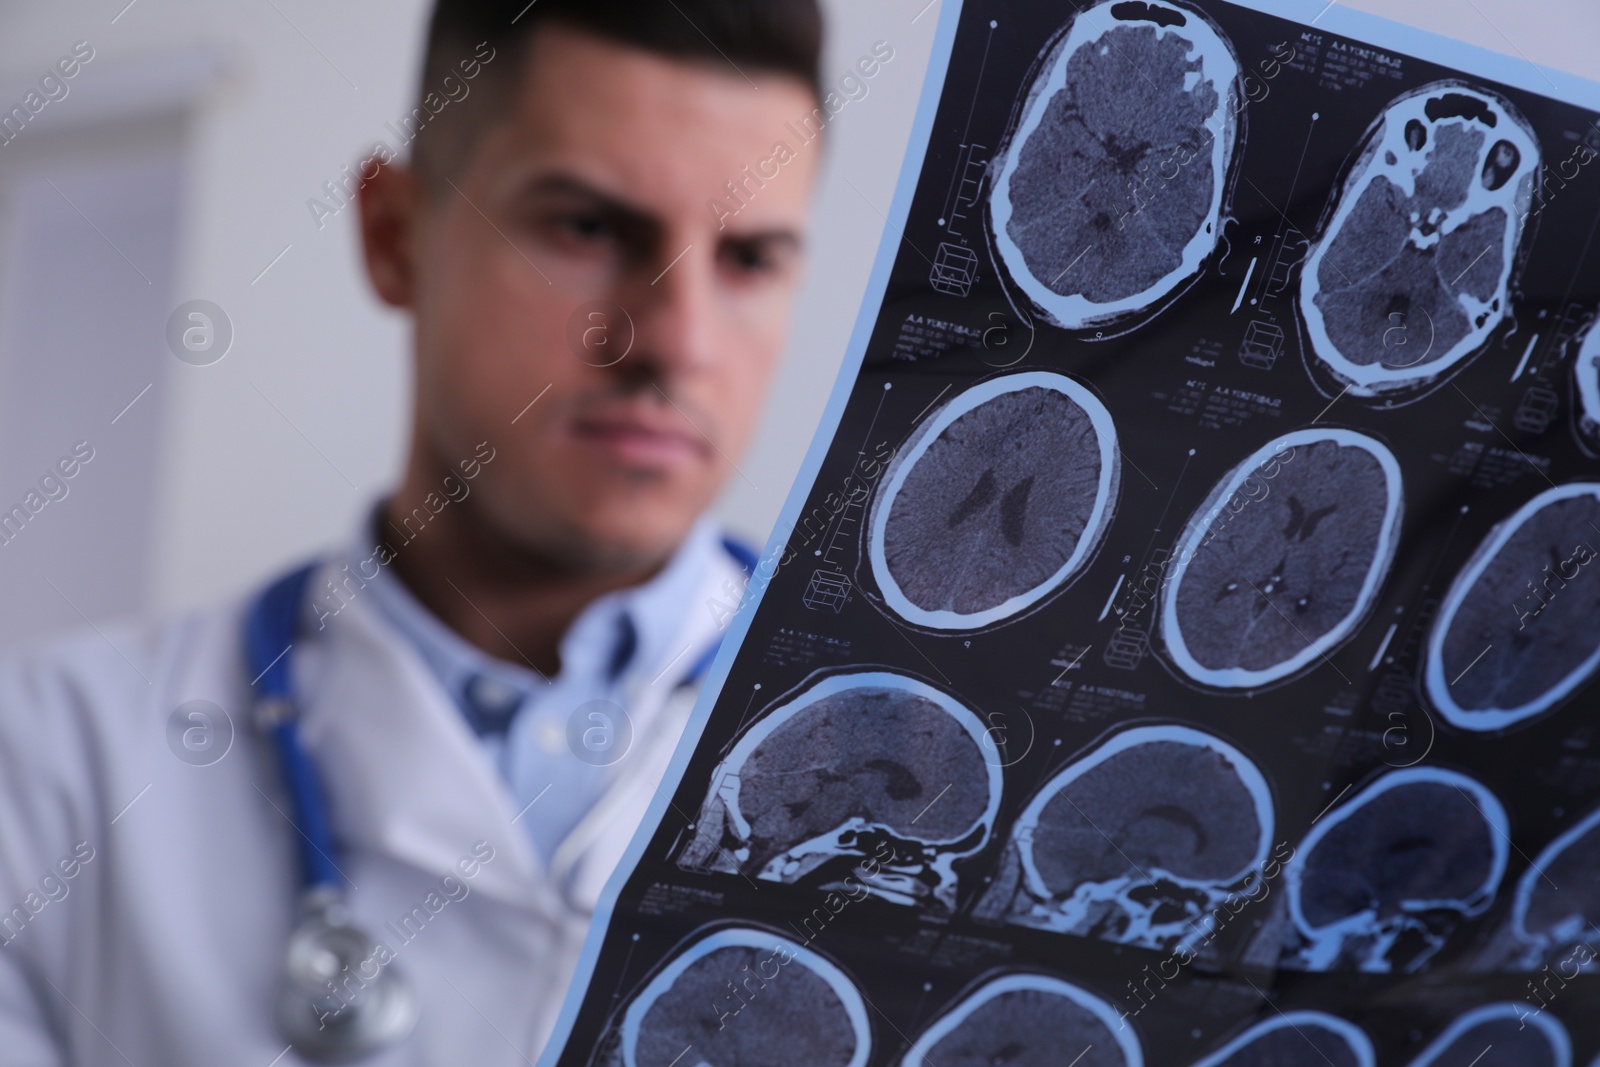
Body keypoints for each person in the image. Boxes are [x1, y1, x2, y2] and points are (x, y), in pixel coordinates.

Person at [0, 1, 823, 1063]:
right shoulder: (51, 762)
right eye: (588, 227)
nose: (674, 340)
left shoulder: (932, 771)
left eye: (750, 257)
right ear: (394, 234)